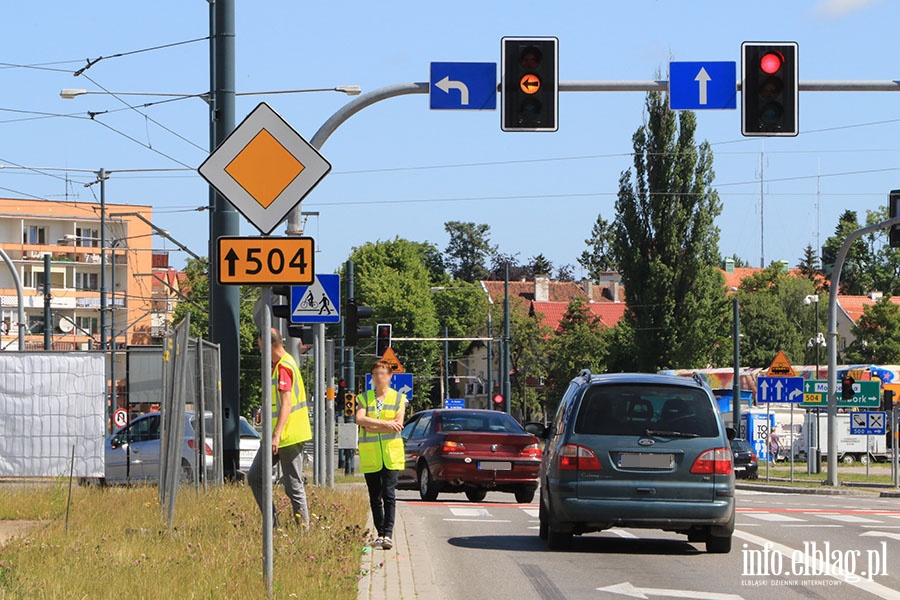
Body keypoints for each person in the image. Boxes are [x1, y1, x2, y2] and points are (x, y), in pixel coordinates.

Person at [248, 328, 312, 529]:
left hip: (288, 435)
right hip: (277, 435)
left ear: (267, 344)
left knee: (293, 486)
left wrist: (276, 435)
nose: (259, 350)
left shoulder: (284, 366)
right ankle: (272, 525)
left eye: (260, 345)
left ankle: (304, 531)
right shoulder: (279, 365)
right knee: (255, 476)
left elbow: (287, 404)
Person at [356, 360, 407, 550]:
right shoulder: (364, 397)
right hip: (371, 455)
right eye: (376, 373)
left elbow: (398, 424)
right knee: (374, 496)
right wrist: (385, 424)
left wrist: (372, 425)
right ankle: (379, 533)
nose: (379, 377)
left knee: (389, 494)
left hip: (391, 453)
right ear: (372, 376)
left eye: (383, 373)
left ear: (390, 376)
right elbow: (359, 419)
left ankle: (388, 534)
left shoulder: (398, 398)